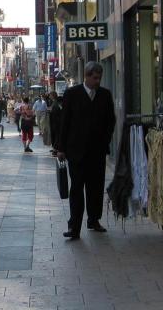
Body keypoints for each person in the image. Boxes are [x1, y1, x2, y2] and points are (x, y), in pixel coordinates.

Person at [55, 61, 116, 240]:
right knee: (76, 189)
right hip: (76, 152)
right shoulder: (72, 94)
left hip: (97, 152)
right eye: (95, 78)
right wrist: (61, 148)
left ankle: (94, 219)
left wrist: (105, 140)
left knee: (96, 188)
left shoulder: (105, 95)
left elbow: (110, 121)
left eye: (99, 78)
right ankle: (74, 226)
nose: (97, 81)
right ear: (87, 76)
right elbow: (64, 122)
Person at [48, 91, 63, 156]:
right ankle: (55, 148)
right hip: (54, 122)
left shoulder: (57, 102)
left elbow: (58, 111)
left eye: (50, 95)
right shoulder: (54, 102)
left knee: (57, 135)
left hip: (56, 122)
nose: (49, 97)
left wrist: (51, 111)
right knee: (55, 135)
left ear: (53, 95)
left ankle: (56, 149)